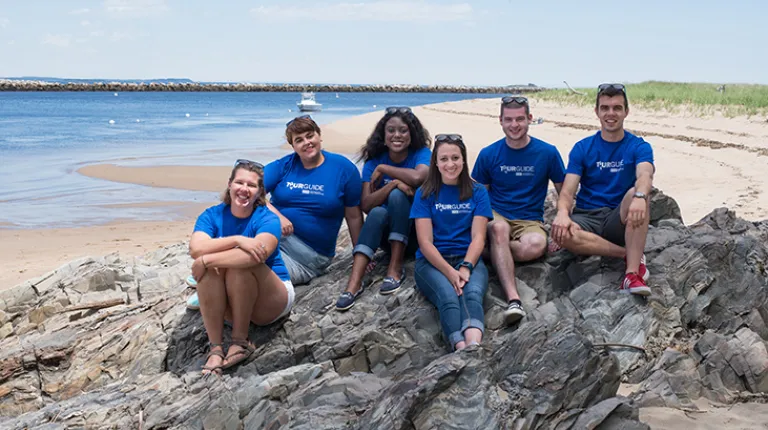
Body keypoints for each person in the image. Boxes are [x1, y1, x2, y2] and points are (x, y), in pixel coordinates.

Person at [189, 160, 293, 375]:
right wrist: (238, 240)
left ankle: (240, 341)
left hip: (271, 299)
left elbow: (257, 256)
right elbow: (196, 248)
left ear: (260, 191)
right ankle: (215, 348)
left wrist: (206, 260)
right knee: (211, 272)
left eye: (252, 185)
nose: (244, 189)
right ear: (229, 184)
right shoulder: (212, 215)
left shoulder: (267, 218)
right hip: (231, 300)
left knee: (236, 266)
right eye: (239, 182)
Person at [551, 83, 655, 295]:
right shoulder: (583, 147)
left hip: (618, 219)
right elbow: (568, 191)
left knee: (636, 194)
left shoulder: (638, 146)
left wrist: (640, 196)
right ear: (597, 112)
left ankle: (631, 275)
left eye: (617, 108)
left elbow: (645, 174)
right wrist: (562, 213)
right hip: (587, 217)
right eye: (605, 108)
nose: (611, 113)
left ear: (626, 111)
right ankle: (627, 253)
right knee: (562, 234)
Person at [471, 96, 565, 324]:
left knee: (536, 245)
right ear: (501, 121)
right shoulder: (488, 154)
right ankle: (514, 299)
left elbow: (565, 192)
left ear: (530, 119)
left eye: (520, 119)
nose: (515, 125)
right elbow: (477, 198)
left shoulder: (547, 152)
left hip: (529, 219)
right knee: (499, 229)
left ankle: (491, 251)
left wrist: (564, 221)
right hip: (496, 214)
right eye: (509, 120)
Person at [336, 106, 431, 311]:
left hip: (415, 235)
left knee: (398, 197)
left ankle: (395, 269)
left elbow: (417, 177)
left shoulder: (421, 154)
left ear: (411, 133)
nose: (397, 135)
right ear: (384, 134)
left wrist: (385, 170)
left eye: (403, 130)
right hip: (385, 237)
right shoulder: (373, 161)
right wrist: (392, 184)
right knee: (380, 211)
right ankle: (354, 284)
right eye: (391, 130)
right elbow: (367, 205)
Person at [410, 134, 493, 351]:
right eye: (444, 159)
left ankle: (474, 346)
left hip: (468, 259)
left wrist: (466, 266)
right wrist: (449, 272)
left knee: (471, 295)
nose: (450, 164)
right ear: (435, 163)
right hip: (432, 263)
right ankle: (460, 348)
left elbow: (478, 237)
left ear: (464, 160)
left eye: (455, 158)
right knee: (448, 296)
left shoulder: (478, 192)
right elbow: (425, 242)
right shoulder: (424, 194)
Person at [265, 115, 364, 285]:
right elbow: (248, 190)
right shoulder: (285, 165)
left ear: (319, 135)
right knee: (236, 252)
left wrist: (360, 253)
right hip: (274, 237)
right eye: (299, 140)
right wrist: (277, 216)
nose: (306, 142)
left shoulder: (343, 169)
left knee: (249, 267)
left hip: (308, 257)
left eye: (310, 136)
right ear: (293, 146)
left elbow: (354, 216)